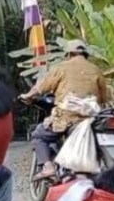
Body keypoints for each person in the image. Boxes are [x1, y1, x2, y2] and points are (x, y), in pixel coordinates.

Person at [19, 39, 109, 179]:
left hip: (66, 117)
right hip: (90, 119)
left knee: (39, 135)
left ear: (69, 53)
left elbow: (41, 88)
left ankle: (48, 167)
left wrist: (27, 95)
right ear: (85, 53)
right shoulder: (96, 70)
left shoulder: (61, 67)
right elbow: (104, 97)